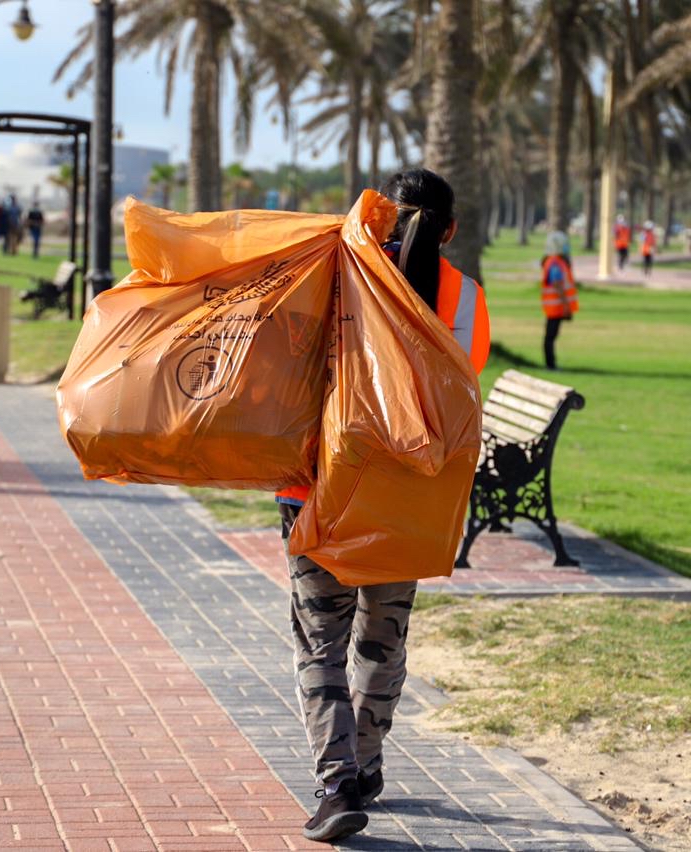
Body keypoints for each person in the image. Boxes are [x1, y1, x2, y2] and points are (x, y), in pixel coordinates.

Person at [275, 168, 488, 843]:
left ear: (381, 216)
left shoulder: (340, 268)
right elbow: (462, 387)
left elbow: (292, 365)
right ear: (449, 230)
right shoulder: (467, 297)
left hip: (319, 488)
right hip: (411, 495)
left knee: (321, 642)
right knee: (382, 637)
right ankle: (365, 765)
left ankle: (337, 782)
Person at [540, 230, 579, 370]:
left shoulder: (556, 261)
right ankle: (550, 365)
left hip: (555, 307)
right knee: (550, 336)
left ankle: (551, 363)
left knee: (551, 335)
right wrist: (566, 305)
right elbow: (557, 284)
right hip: (555, 308)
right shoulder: (555, 263)